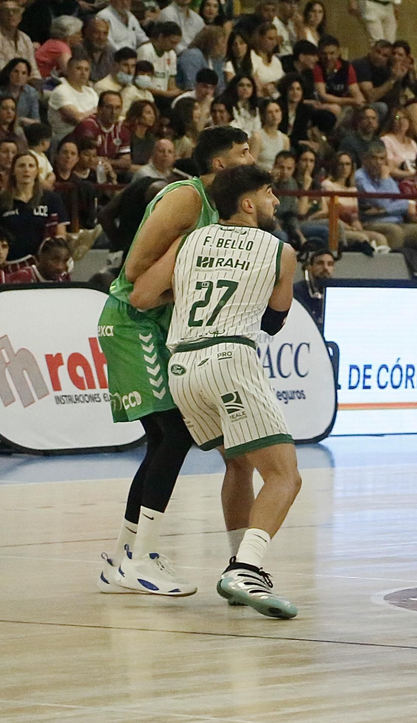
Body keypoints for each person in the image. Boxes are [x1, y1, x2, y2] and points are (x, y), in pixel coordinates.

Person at [128, 163, 300, 619]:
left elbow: (141, 295)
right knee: (285, 475)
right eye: (269, 193)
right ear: (247, 203)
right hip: (230, 360)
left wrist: (186, 297)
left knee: (239, 463)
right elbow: (272, 322)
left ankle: (235, 562)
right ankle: (247, 568)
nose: (275, 202)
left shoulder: (188, 240)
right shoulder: (280, 250)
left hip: (182, 365)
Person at [93, 128, 257, 600]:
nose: (252, 157)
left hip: (155, 323)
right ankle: (140, 558)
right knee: (176, 434)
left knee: (164, 439)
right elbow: (135, 277)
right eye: (243, 152)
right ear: (222, 165)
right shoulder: (187, 198)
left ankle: (125, 555)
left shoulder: (218, 210)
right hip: (132, 320)